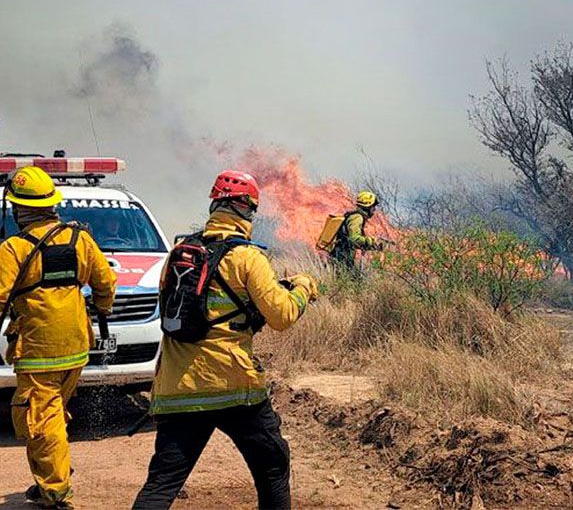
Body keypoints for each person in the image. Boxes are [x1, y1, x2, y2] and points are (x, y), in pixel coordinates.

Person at [133, 170, 318, 510]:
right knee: (273, 466)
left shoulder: (179, 254)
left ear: (214, 205)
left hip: (179, 387)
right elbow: (282, 316)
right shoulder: (247, 257)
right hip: (234, 387)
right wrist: (304, 287)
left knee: (161, 484)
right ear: (247, 210)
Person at [0, 166, 116, 508]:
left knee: (39, 418)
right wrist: (103, 309)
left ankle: (56, 490)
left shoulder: (13, 249)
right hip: (77, 346)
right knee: (51, 412)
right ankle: (49, 477)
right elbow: (105, 284)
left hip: (38, 349)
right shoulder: (80, 239)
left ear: (18, 208)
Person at [329, 190, 385, 275]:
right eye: (373, 206)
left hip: (343, 258)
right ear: (368, 206)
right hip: (341, 258)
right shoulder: (357, 217)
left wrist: (374, 246)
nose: (374, 209)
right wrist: (372, 241)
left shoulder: (356, 216)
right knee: (354, 281)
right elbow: (354, 238)